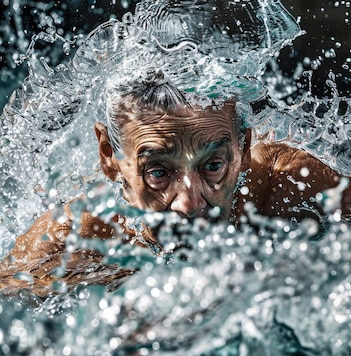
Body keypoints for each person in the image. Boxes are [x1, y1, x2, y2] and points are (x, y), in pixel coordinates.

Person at [0, 70, 350, 297]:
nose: (189, 203)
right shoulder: (72, 241)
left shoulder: (290, 183)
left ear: (242, 148)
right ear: (110, 157)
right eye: (158, 173)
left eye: (212, 166)